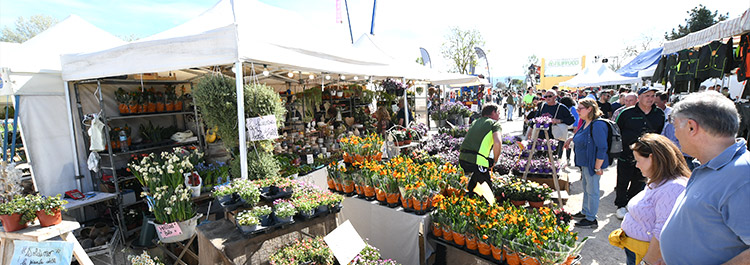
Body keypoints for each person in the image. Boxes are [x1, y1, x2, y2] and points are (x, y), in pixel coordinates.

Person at [659, 91, 750, 265]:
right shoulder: (714, 166)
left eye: (675, 125)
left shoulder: (742, 176)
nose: (675, 134)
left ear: (692, 127)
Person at [611, 133, 690, 265]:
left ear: (652, 158)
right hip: (636, 251)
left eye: (638, 160)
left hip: (646, 256)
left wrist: (647, 262)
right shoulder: (659, 181)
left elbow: (662, 233)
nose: (636, 165)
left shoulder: (673, 188)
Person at [614, 87, 665, 219]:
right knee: (623, 180)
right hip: (626, 154)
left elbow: (659, 133)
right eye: (647, 95)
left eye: (653, 96)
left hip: (647, 156)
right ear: (639, 97)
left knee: (640, 180)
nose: (650, 98)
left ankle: (632, 204)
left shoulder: (659, 114)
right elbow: (617, 132)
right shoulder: (626, 113)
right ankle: (620, 205)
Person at [564, 98, 609, 228]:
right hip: (585, 164)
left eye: (580, 108)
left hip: (592, 164)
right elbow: (583, 136)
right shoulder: (585, 122)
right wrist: (572, 138)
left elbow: (602, 147)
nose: (577, 111)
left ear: (590, 109)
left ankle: (591, 219)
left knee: (593, 190)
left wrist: (597, 167)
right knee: (587, 189)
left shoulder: (598, 124)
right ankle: (585, 212)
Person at [459, 104, 503, 195]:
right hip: (478, 161)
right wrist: (495, 160)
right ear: (493, 113)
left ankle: (468, 198)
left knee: (473, 186)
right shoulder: (494, 124)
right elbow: (498, 143)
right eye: (498, 112)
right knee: (488, 195)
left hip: (463, 158)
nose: (499, 115)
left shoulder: (475, 122)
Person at [527, 90, 575, 158]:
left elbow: (571, 120)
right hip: (541, 136)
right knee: (539, 157)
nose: (547, 98)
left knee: (553, 158)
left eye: (550, 96)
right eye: (545, 96)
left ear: (555, 97)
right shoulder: (542, 106)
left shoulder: (561, 107)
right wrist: (530, 131)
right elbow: (535, 119)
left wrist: (558, 121)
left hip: (555, 137)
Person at [559, 96, 578, 166]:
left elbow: (576, 118)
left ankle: (567, 159)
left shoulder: (572, 109)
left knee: (568, 145)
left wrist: (575, 127)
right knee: (561, 144)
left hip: (569, 128)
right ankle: (560, 158)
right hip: (565, 128)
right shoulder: (565, 108)